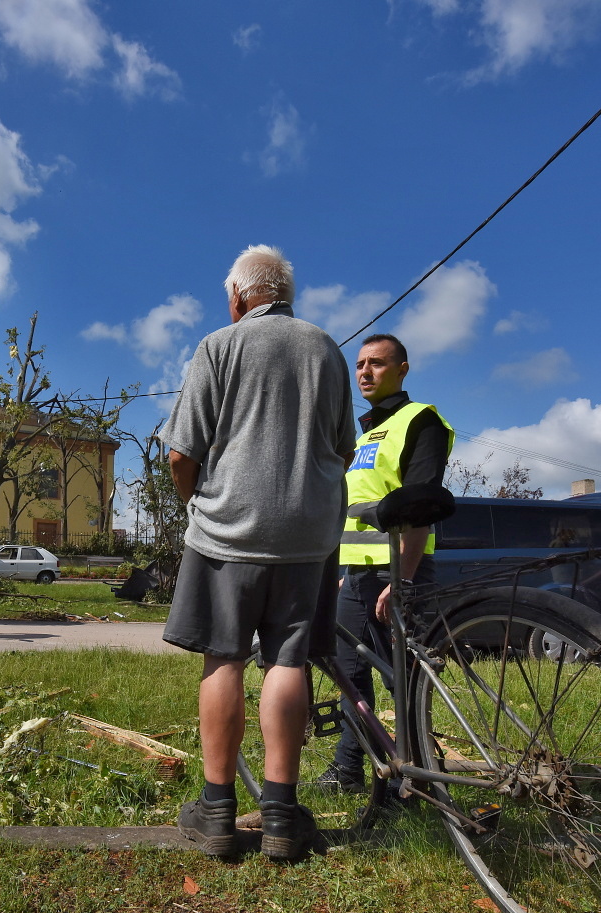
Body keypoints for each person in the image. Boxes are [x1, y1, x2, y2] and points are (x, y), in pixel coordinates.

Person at [160, 244, 352, 862]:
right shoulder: (325, 347)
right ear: (286, 296)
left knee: (224, 658)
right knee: (287, 662)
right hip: (307, 536)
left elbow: (179, 454)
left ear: (239, 297)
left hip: (227, 532)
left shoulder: (218, 346)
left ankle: (217, 811)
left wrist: (198, 502)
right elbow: (341, 448)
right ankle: (279, 813)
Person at [315, 333, 451, 794]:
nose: (365, 372)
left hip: (397, 573)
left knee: (404, 683)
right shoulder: (367, 432)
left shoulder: (421, 421)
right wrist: (342, 575)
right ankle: (350, 768)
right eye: (359, 365)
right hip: (356, 577)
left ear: (402, 370)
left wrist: (406, 579)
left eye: (376, 363)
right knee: (349, 675)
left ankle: (417, 779)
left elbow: (421, 505)